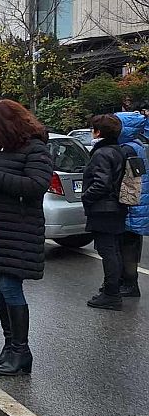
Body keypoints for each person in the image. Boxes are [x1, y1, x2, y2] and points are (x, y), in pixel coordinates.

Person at [0, 99, 52, 377]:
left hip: (19, 230)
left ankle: (21, 350)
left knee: (11, 288)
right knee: (0, 289)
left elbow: (36, 186)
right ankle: (10, 345)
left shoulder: (35, 148)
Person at [82, 114, 128, 310]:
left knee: (107, 251)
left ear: (98, 132)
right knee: (114, 250)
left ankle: (111, 294)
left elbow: (101, 183)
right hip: (116, 207)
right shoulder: (118, 150)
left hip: (104, 208)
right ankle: (112, 288)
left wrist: (86, 197)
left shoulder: (102, 153)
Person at [116, 111, 147, 297]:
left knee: (127, 245)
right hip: (137, 204)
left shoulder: (127, 149)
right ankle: (128, 281)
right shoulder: (137, 145)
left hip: (131, 205)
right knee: (131, 244)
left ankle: (129, 284)